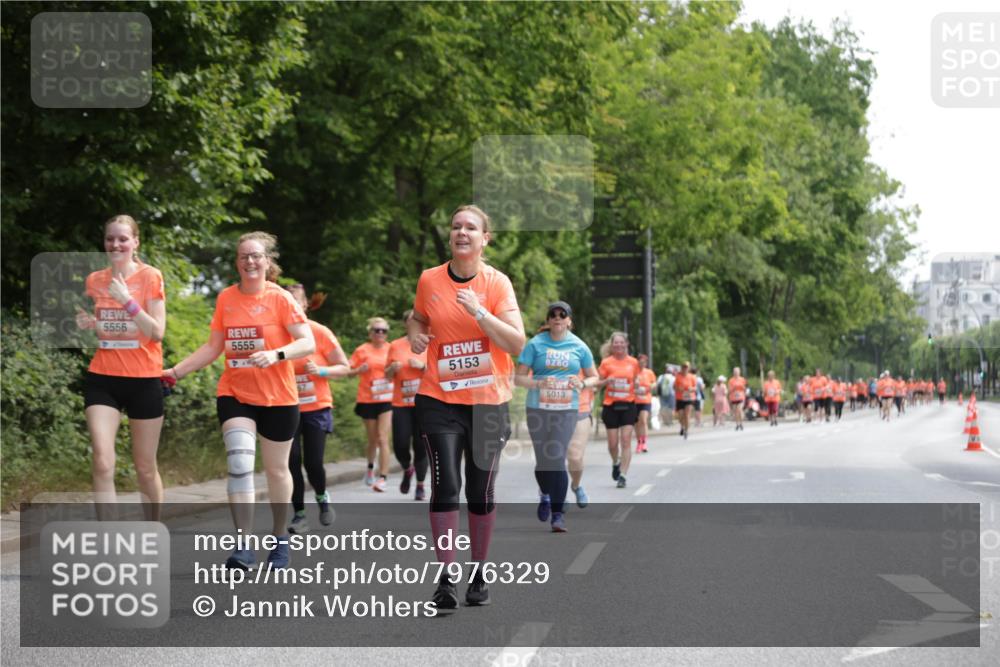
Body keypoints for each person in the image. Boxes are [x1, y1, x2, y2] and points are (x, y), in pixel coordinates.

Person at [165, 232, 314, 570]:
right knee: (240, 462)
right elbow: (213, 347)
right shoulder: (226, 299)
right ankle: (243, 545)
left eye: (256, 256)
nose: (250, 261)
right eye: (244, 256)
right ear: (237, 262)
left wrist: (276, 354)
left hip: (278, 396)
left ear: (267, 262)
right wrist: (176, 371)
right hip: (235, 393)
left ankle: (279, 539)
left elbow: (306, 343)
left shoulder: (280, 299)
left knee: (277, 471)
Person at [408, 205, 525, 611]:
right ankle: (446, 578)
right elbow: (417, 317)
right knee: (446, 486)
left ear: (484, 238)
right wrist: (417, 338)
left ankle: (478, 570)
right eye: (456, 227)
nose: (461, 233)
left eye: (470, 228)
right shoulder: (429, 279)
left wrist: (478, 311)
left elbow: (515, 343)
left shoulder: (497, 284)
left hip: (488, 403)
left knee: (480, 490)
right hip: (438, 397)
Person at [77, 214, 167, 520]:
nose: (115, 244)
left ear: (135, 242)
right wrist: (92, 322)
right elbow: (112, 327)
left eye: (123, 238)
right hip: (103, 377)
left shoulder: (150, 276)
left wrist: (128, 301)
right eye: (110, 238)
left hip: (144, 379)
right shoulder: (95, 280)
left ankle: (153, 528)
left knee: (145, 468)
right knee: (102, 461)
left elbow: (156, 332)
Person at [515, 301, 598, 532]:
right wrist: (538, 382)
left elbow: (594, 377)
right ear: (548, 320)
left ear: (569, 320)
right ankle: (545, 495)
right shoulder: (535, 344)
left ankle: (558, 514)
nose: (558, 318)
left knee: (556, 457)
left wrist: (581, 383)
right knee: (543, 461)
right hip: (538, 409)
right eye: (553, 314)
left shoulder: (579, 346)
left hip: (565, 410)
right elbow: (518, 378)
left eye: (563, 315)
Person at [285, 284, 349, 534]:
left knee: (313, 462)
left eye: (296, 301)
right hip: (285, 407)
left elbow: (344, 366)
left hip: (316, 407)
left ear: (304, 305)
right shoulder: (276, 334)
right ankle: (299, 515)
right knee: (291, 462)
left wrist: (321, 371)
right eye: (286, 301)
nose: (291, 306)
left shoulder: (319, 332)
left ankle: (322, 498)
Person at [385, 310, 428, 500]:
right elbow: (386, 376)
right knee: (400, 444)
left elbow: (442, 372)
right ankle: (407, 468)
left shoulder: (431, 343)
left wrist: (423, 367)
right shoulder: (395, 345)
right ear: (406, 324)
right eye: (412, 320)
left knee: (421, 446)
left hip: (425, 403)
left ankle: (420, 486)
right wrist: (391, 369)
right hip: (401, 403)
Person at [349, 318, 394, 491]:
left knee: (383, 438)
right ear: (370, 333)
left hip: (387, 399)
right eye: (377, 330)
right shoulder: (362, 350)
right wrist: (358, 370)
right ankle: (370, 467)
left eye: (383, 331)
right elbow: (348, 372)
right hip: (367, 399)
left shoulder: (392, 349)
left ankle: (382, 478)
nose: (380, 333)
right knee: (372, 440)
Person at [597, 332, 640, 489]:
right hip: (611, 406)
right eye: (616, 343)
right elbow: (597, 383)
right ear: (612, 345)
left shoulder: (633, 363)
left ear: (627, 344)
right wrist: (607, 381)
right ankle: (616, 462)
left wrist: (636, 386)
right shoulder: (606, 363)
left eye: (622, 343)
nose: (619, 345)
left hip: (628, 405)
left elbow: (635, 381)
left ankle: (623, 475)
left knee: (626, 440)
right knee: (613, 444)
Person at [567, 369, 594, 508]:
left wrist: (582, 383)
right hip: (550, 411)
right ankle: (555, 494)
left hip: (580, 410)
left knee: (575, 457)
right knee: (553, 457)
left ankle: (576, 486)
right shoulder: (540, 348)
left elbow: (595, 378)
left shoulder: (581, 349)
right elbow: (527, 378)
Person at [634, 354, 657, 452]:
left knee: (643, 420)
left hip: (645, 400)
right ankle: (639, 442)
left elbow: (654, 383)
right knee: (636, 423)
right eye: (640, 362)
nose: (642, 363)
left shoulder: (649, 372)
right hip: (634, 400)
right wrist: (635, 383)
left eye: (644, 362)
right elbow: (628, 383)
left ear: (646, 363)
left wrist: (651, 386)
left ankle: (644, 443)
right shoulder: (633, 372)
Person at [674, 361, 697, 439]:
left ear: (689, 368)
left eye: (686, 367)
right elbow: (674, 387)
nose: (685, 369)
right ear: (681, 368)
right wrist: (678, 388)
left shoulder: (692, 377)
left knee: (687, 414)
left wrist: (691, 389)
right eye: (684, 367)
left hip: (689, 398)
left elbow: (696, 388)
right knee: (680, 415)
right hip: (680, 398)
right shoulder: (678, 376)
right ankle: (682, 426)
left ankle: (686, 431)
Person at [656, 364, 676, 428]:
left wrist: (657, 393)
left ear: (666, 371)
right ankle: (670, 421)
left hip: (662, 394)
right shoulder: (673, 378)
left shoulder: (661, 377)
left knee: (663, 407)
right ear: (672, 371)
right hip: (671, 394)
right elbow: (675, 386)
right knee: (671, 408)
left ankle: (665, 421)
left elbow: (657, 385)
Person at [728, 367, 747, 431]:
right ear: (733, 372)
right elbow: (729, 390)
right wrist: (734, 388)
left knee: (739, 409)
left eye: (737, 372)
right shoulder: (731, 380)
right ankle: (737, 424)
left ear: (739, 372)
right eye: (735, 372)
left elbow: (744, 389)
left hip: (741, 397)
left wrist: (741, 387)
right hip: (733, 398)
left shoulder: (742, 379)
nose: (736, 373)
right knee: (735, 412)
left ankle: (741, 423)